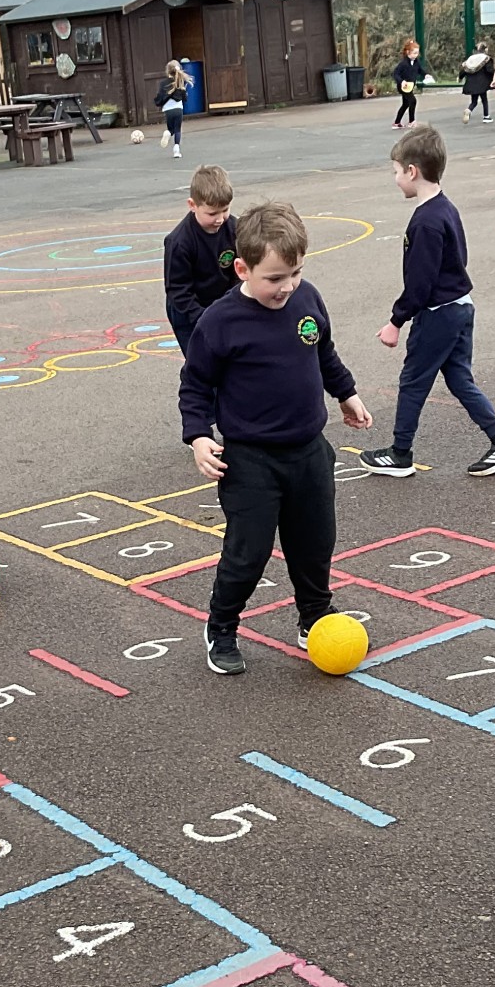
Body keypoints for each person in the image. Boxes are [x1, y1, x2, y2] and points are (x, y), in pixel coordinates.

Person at [179, 201, 371, 676]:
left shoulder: (307, 300)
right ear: (242, 268)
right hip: (250, 460)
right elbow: (196, 384)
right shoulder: (221, 321)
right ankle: (221, 625)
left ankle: (313, 615)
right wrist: (198, 437)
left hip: (308, 449)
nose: (286, 286)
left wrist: (345, 393)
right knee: (249, 551)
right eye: (274, 277)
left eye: (295, 273)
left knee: (314, 541)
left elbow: (323, 350)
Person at [358, 124, 495, 480]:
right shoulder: (445, 208)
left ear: (412, 171)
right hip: (461, 306)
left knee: (413, 381)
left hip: (439, 314)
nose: (395, 179)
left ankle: (400, 454)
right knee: (459, 378)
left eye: (396, 172)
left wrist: (396, 321)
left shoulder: (425, 223)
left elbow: (420, 285)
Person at [163, 166, 238, 357]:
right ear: (192, 205)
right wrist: (203, 318)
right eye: (212, 214)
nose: (220, 219)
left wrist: (233, 304)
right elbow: (177, 290)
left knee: (230, 359)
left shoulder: (235, 229)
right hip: (188, 312)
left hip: (222, 304)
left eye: (225, 210)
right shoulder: (179, 242)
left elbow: (240, 272)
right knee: (203, 362)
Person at [155, 60, 191, 159]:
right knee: (177, 130)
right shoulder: (180, 82)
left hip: (168, 110)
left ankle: (168, 133)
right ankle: (176, 150)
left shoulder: (163, 83)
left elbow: (159, 97)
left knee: (171, 129)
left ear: (167, 71)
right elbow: (184, 98)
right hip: (178, 109)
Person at [459, 45, 495, 124]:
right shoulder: (486, 58)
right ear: (485, 49)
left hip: (471, 83)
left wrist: (460, 77)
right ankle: (486, 116)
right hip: (482, 83)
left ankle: (469, 110)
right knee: (484, 99)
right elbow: (489, 70)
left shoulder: (470, 59)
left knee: (474, 101)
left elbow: (463, 70)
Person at [393, 39, 422, 129]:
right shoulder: (403, 64)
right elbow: (395, 74)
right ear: (408, 52)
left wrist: (427, 75)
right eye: (414, 53)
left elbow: (420, 70)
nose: (416, 55)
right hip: (403, 87)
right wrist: (401, 81)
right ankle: (411, 121)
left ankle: (397, 123)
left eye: (417, 53)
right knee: (413, 101)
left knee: (405, 104)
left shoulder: (416, 62)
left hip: (410, 86)